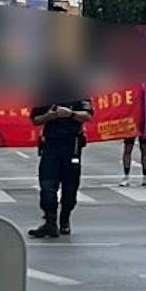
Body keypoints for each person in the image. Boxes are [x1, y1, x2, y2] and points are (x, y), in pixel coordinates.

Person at [30, 95, 91, 239]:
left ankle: (65, 219)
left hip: (72, 144)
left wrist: (71, 114)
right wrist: (51, 116)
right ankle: (50, 222)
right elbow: (35, 119)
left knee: (70, 185)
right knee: (47, 185)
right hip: (51, 144)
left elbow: (87, 115)